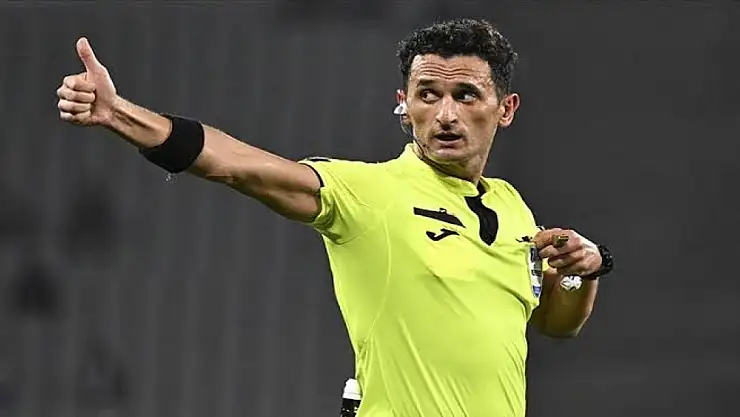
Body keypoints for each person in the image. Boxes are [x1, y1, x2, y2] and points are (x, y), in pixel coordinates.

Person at [56, 18, 613, 417]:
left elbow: (556, 324)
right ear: (404, 103)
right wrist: (120, 114)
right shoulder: (368, 193)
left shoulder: (512, 205)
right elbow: (236, 166)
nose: (445, 114)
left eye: (466, 95)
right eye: (428, 94)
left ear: (505, 109)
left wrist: (583, 271)